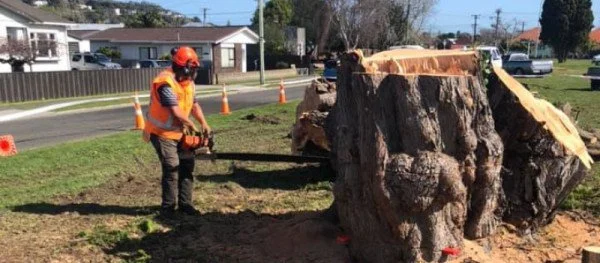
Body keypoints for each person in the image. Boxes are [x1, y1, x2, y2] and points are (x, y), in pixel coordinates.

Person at [143, 46, 210, 217]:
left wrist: (203, 123)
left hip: (180, 133)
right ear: (184, 68)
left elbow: (194, 105)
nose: (195, 73)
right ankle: (168, 208)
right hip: (161, 133)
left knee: (187, 165)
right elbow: (175, 110)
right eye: (192, 69)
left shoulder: (189, 83)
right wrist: (190, 124)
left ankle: (185, 204)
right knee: (172, 166)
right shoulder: (165, 82)